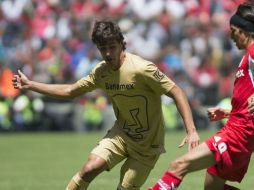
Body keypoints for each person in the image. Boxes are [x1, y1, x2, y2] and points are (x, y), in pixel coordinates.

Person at [12, 20, 200, 190]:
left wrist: (191, 130)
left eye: (112, 47)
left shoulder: (142, 69)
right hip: (121, 135)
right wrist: (31, 85)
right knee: (89, 168)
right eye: (103, 48)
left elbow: (176, 91)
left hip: (147, 145)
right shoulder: (101, 72)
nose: (108, 53)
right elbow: (70, 91)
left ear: (122, 45)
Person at [149, 2, 254, 190]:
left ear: (245, 30)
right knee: (213, 189)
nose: (230, 36)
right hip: (239, 130)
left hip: (238, 135)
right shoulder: (247, 56)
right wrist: (229, 111)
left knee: (178, 165)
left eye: (233, 30)